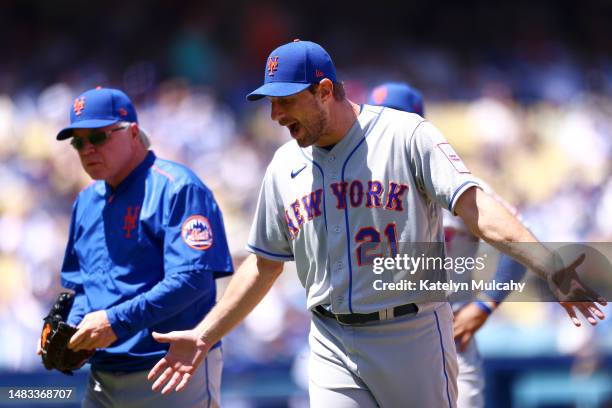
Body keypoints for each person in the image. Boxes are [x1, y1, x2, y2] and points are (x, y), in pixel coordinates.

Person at [147, 40, 606, 407]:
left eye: (285, 101)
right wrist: (205, 334)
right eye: (270, 103)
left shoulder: (407, 136)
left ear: (324, 91)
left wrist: (550, 266)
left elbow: (477, 209)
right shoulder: (284, 163)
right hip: (329, 339)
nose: (275, 115)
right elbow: (264, 264)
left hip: (410, 334)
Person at [50, 87, 233, 407]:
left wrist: (114, 321)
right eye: (78, 142)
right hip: (102, 378)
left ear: (133, 132)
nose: (87, 149)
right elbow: (79, 285)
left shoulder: (177, 188)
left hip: (170, 370)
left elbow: (191, 280)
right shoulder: (86, 201)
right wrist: (72, 330)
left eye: (98, 136)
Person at [367, 81, 528, 408]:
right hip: (379, 340)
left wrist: (485, 305)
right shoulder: (355, 190)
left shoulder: (458, 185)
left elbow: (520, 246)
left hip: (449, 336)